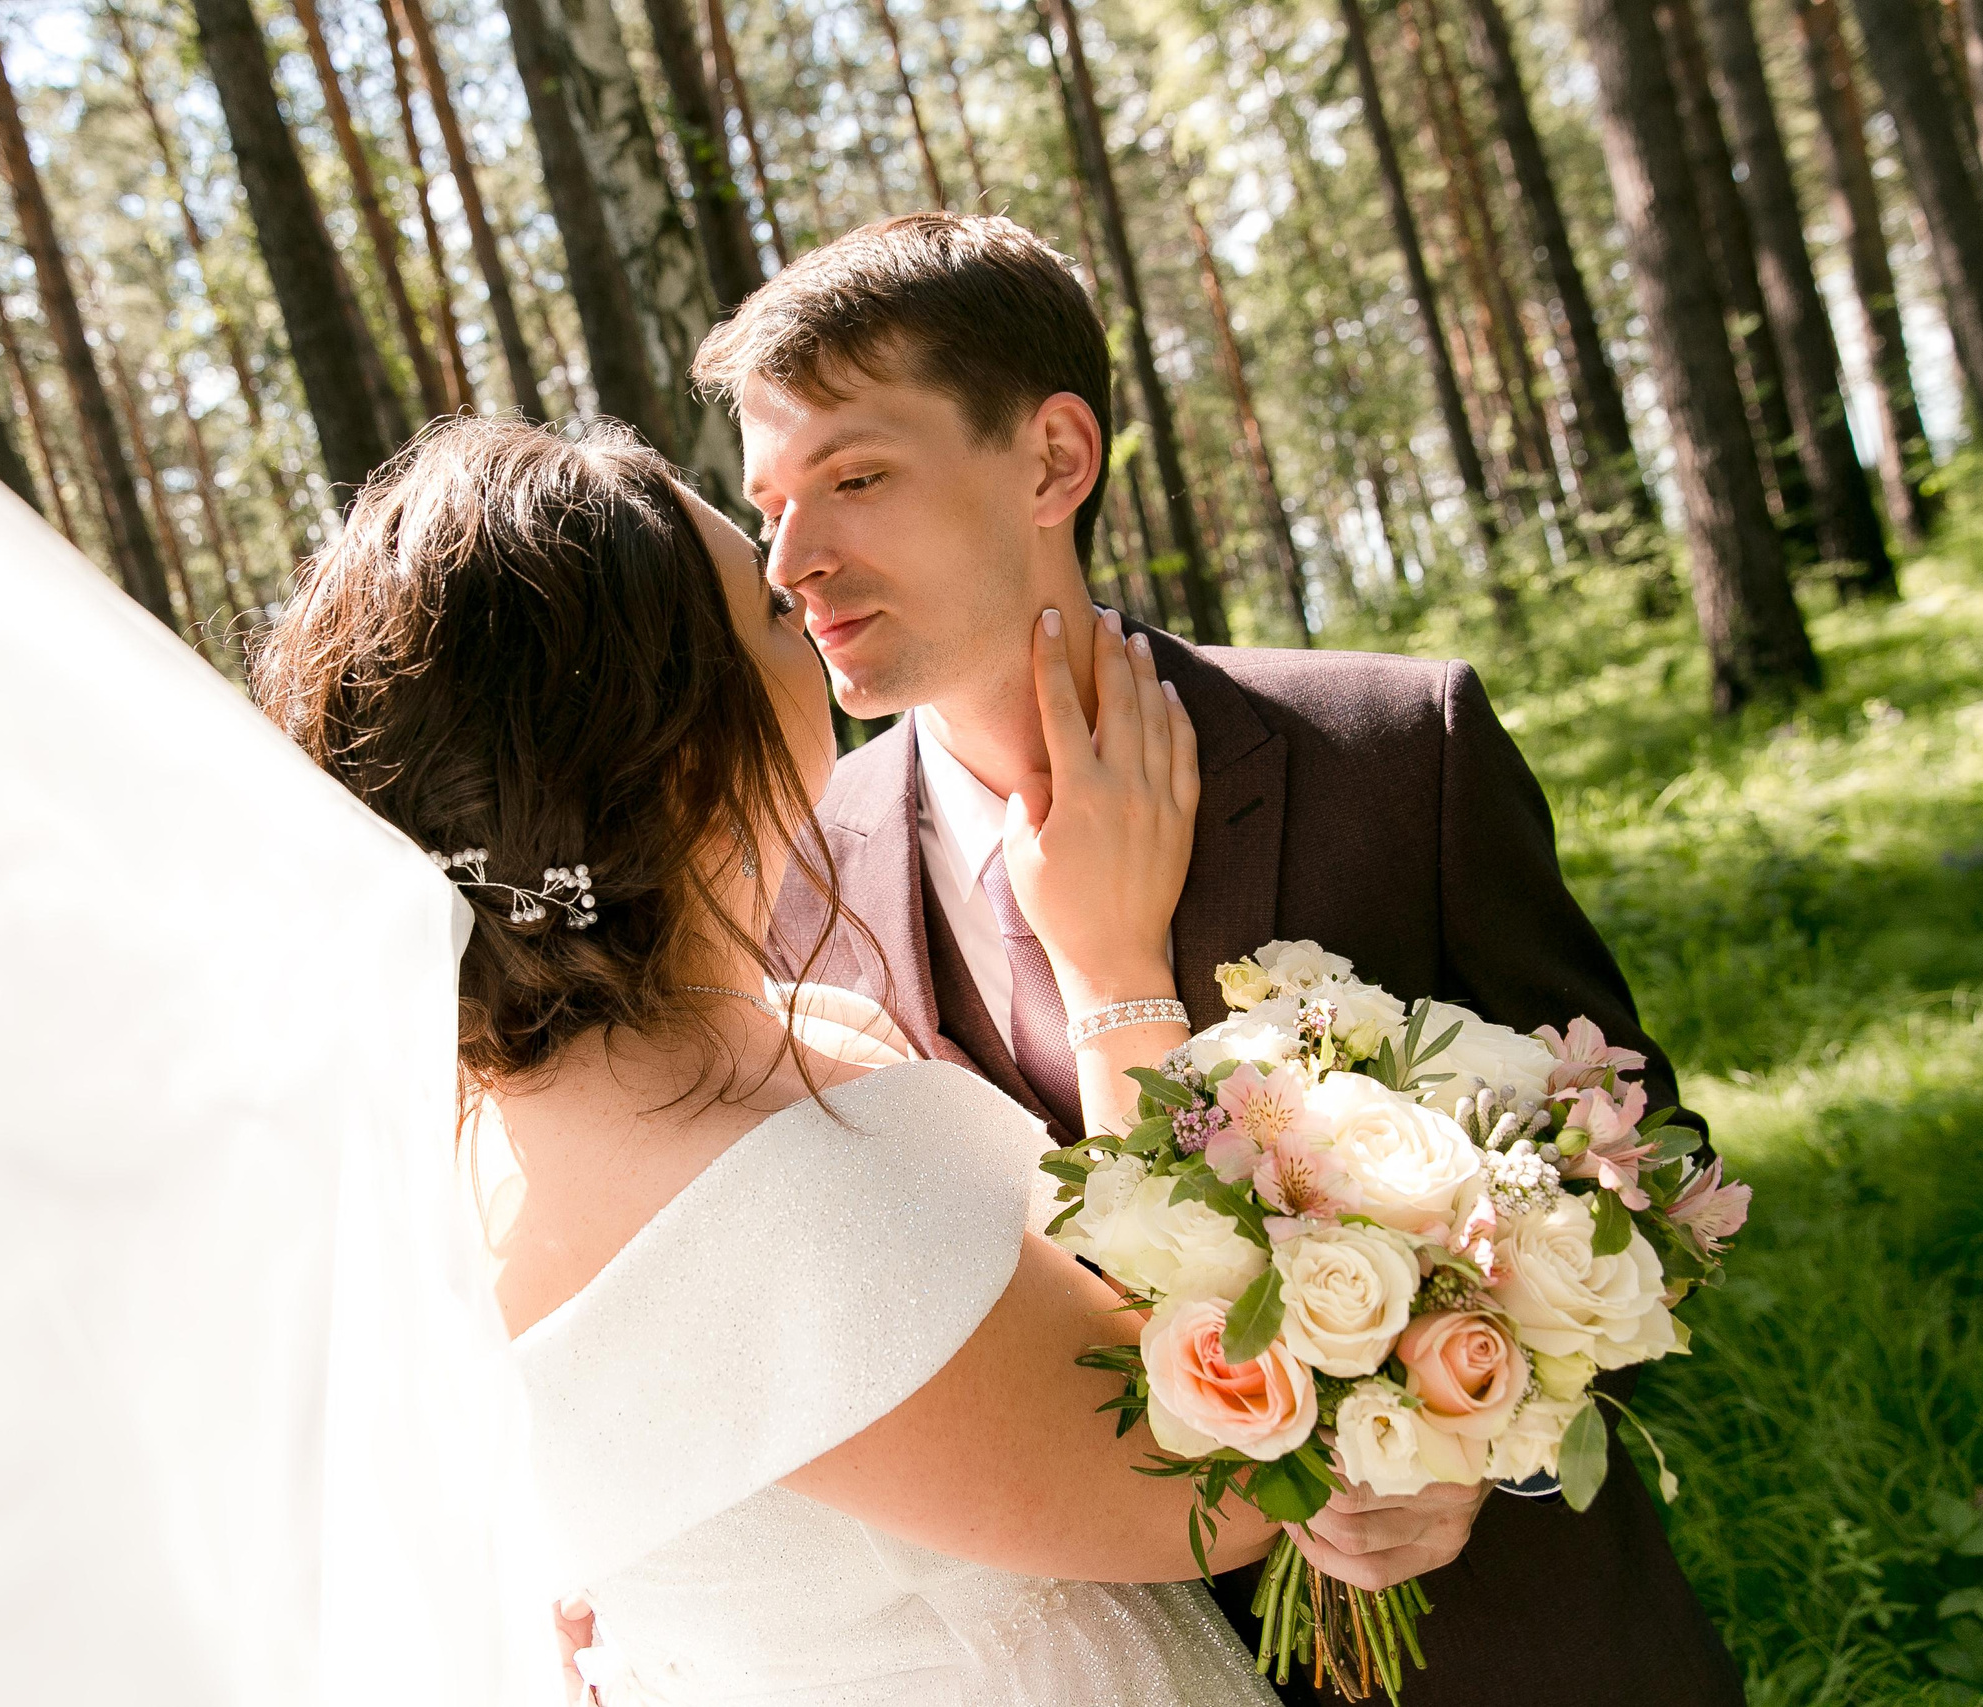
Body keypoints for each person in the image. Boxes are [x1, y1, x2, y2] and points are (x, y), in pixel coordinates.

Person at [255, 417, 1481, 1705]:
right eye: (774, 614)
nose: (811, 598)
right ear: (688, 757)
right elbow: (1229, 1485)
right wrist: (1113, 970)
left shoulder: (472, 1138)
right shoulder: (785, 1203)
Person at [697, 212, 1744, 1707]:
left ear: (1054, 460)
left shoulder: (1394, 754)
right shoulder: (788, 890)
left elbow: (1651, 1173)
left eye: (856, 477)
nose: (795, 560)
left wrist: (1484, 1443)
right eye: (770, 504)